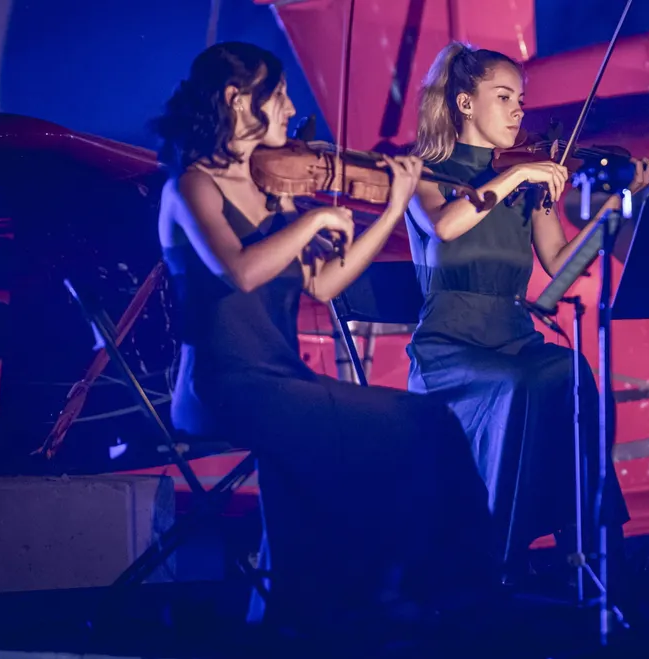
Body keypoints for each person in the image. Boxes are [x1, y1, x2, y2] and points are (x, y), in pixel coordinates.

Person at [151, 41, 497, 645]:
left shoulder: (274, 185)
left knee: (415, 423)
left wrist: (392, 208)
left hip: (282, 380)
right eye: (278, 94)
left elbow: (325, 280)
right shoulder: (191, 188)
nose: (290, 109)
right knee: (410, 426)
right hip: (223, 385)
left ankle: (346, 603)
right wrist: (309, 221)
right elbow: (240, 271)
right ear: (237, 101)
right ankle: (400, 590)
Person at [404, 41, 649, 582]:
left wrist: (617, 205)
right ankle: (498, 553)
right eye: (504, 97)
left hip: (514, 335)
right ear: (466, 103)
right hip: (449, 346)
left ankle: (587, 543)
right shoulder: (422, 171)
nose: (519, 110)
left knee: (571, 373)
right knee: (518, 385)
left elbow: (562, 268)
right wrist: (516, 178)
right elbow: (445, 228)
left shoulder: (531, 181)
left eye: (520, 98)